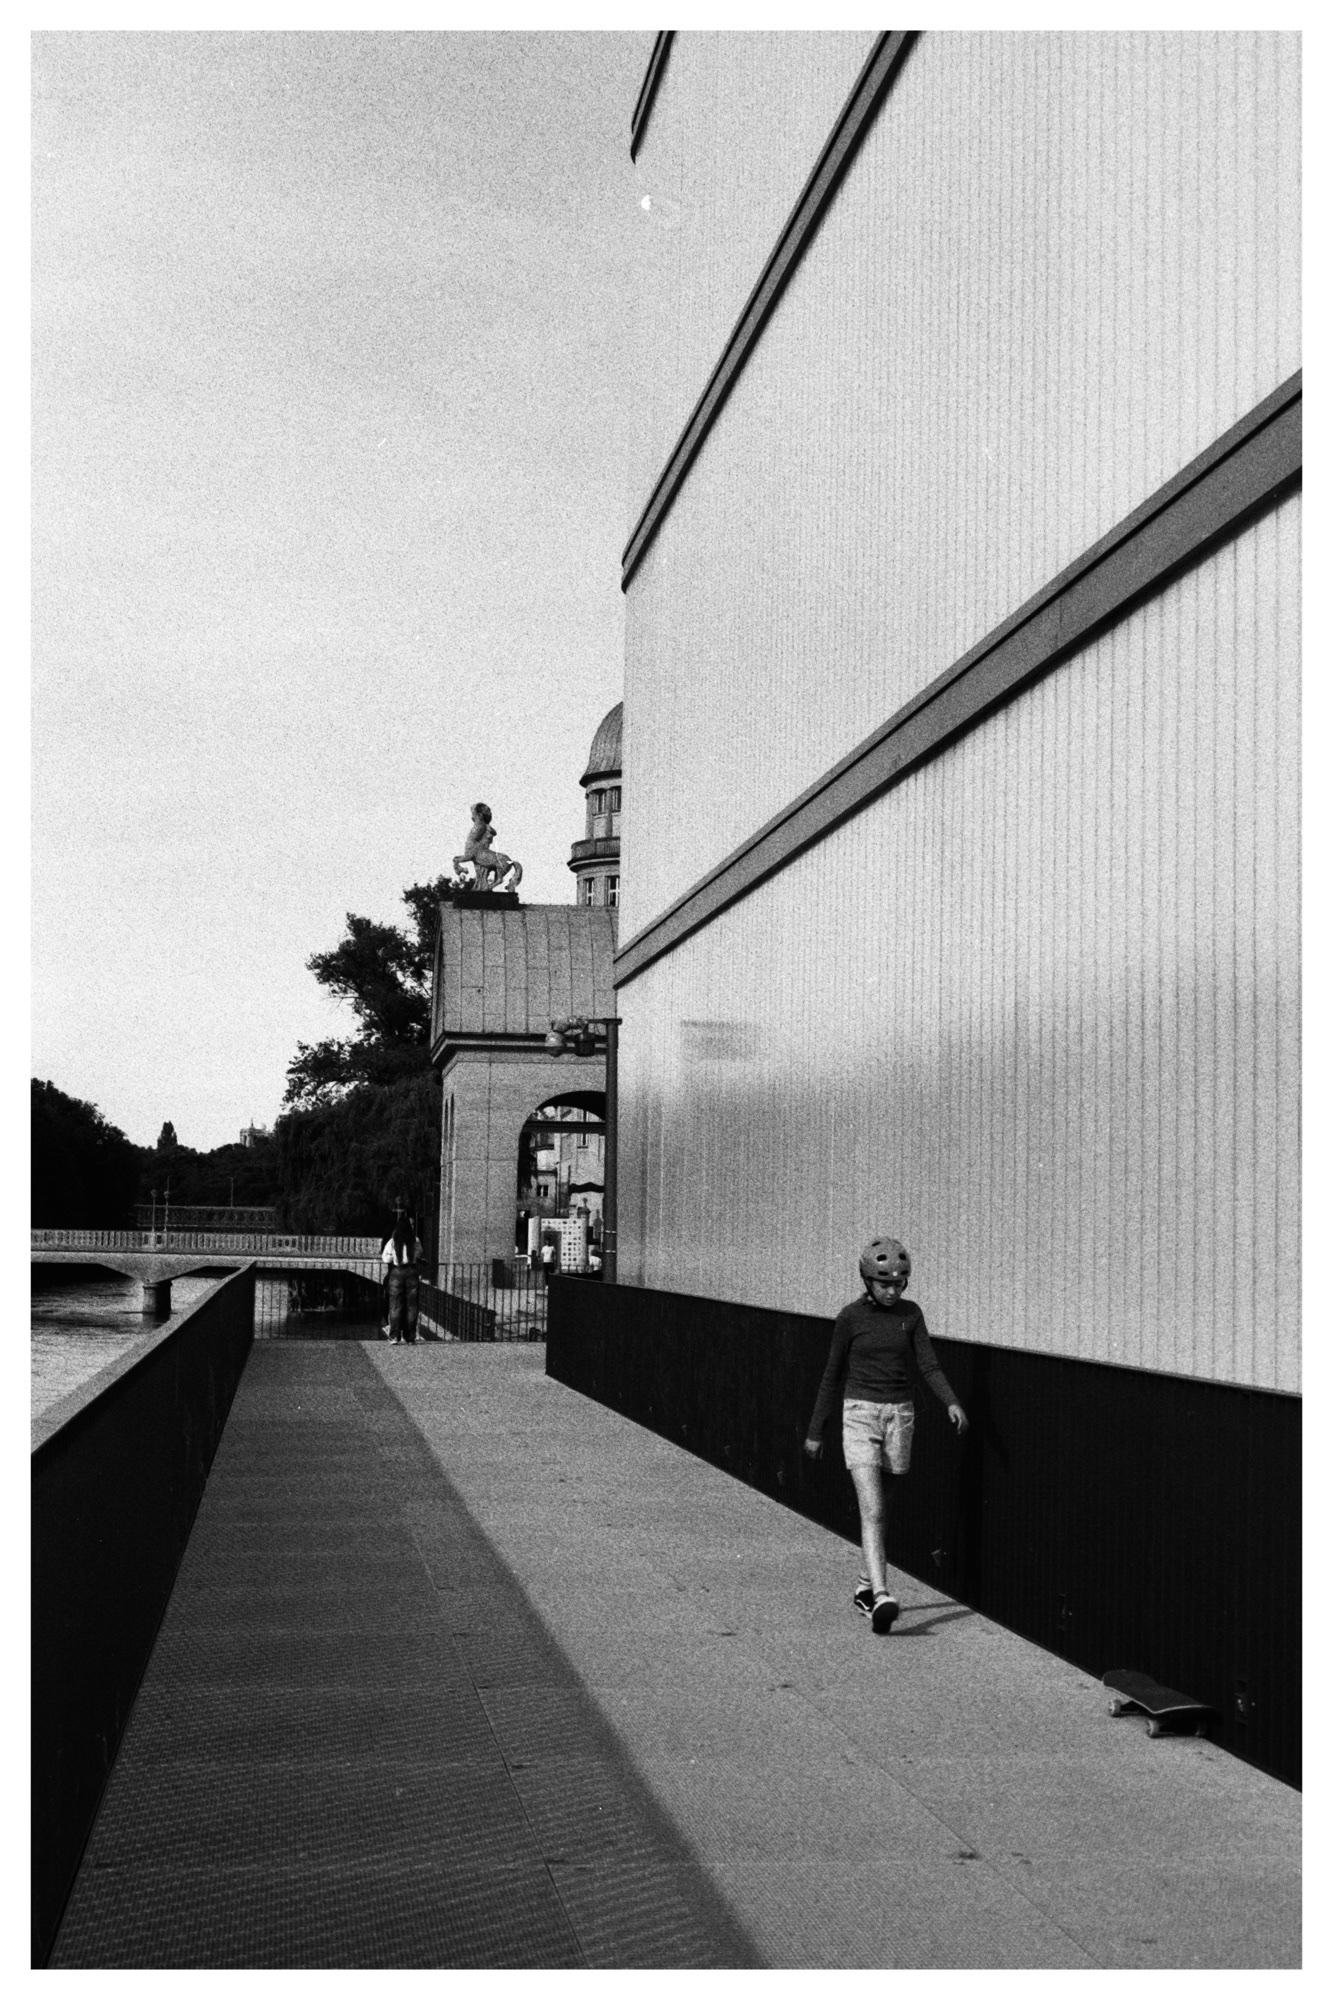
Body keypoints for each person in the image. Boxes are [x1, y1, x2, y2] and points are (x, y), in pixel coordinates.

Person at [803, 1237, 968, 1634]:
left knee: (882, 1510)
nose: (892, 1291)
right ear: (867, 1280)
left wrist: (950, 1401)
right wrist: (815, 1430)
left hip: (900, 1416)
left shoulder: (911, 1316)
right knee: (873, 1508)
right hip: (859, 1414)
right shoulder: (849, 1319)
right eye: (884, 1283)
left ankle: (863, 1587)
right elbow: (831, 1374)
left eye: (899, 1283)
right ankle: (880, 1594)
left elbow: (928, 1364)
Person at [380, 1199, 425, 1344]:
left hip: (397, 1272)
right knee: (411, 1305)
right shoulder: (415, 1240)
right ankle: (410, 1336)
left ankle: (394, 1336)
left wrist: (395, 1257)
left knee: (395, 1304)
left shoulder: (393, 1241)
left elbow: (385, 1258)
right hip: (411, 1272)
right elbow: (419, 1254)